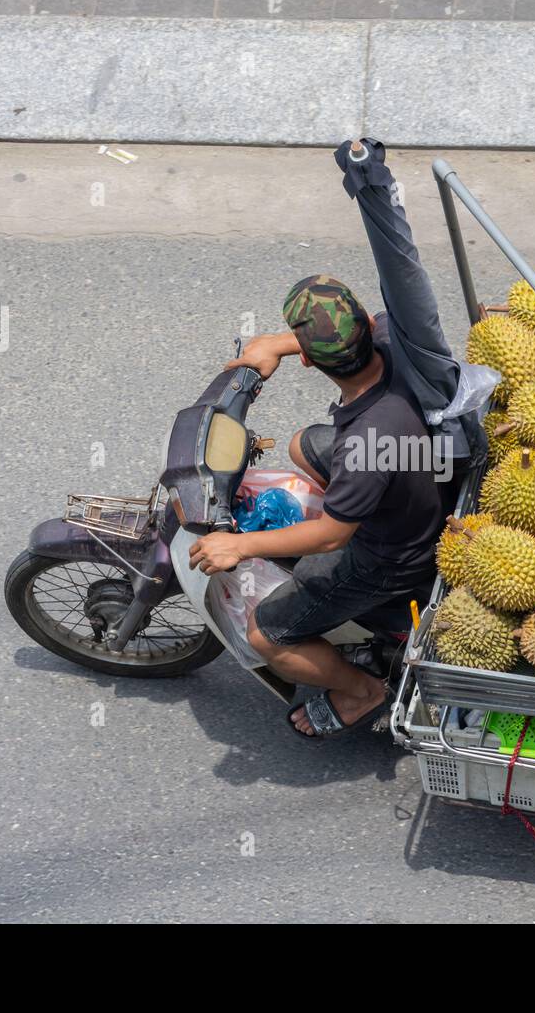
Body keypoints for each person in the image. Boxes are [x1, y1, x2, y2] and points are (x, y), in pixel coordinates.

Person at [188, 138, 485, 740]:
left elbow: (333, 533)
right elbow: (399, 284)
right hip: (418, 471)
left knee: (267, 634)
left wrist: (238, 549)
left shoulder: (367, 441)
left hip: (389, 557)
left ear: (314, 364)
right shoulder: (393, 347)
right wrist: (274, 343)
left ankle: (361, 690)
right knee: (301, 445)